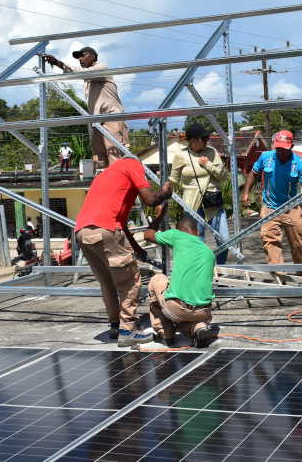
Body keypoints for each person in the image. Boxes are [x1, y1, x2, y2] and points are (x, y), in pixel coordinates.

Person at [74, 153, 173, 347]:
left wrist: (136, 248)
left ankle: (115, 325)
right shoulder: (132, 165)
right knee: (129, 279)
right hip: (105, 229)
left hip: (82, 232)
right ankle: (127, 330)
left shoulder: (107, 174)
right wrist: (164, 194)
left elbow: (120, 222)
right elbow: (150, 199)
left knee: (107, 281)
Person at [241, 130, 302, 276]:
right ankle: (279, 274)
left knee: (298, 241)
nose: (280, 152)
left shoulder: (299, 164)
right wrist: (246, 192)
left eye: (284, 149)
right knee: (270, 241)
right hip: (269, 208)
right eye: (278, 148)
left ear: (291, 146)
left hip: (291, 208)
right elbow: (253, 173)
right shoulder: (266, 157)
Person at [42, 47, 128, 173]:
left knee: (116, 160)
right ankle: (102, 185)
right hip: (98, 122)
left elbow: (81, 72)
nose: (80, 59)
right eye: (79, 57)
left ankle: (120, 184)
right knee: (99, 163)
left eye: (83, 55)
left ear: (93, 57)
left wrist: (58, 63)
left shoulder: (102, 68)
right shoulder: (88, 81)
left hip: (111, 118)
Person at [144, 204, 215, 348]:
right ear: (197, 234)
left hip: (179, 308)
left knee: (157, 280)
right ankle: (198, 327)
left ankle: (166, 332)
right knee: (189, 306)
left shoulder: (177, 235)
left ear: (180, 231)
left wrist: (160, 216)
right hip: (205, 311)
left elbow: (148, 235)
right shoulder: (209, 252)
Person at [169, 123, 229, 265]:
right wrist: (162, 182)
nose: (207, 140)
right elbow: (174, 181)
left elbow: (223, 176)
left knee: (224, 240)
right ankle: (203, 271)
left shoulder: (211, 152)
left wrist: (208, 165)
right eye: (203, 138)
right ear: (193, 140)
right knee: (198, 241)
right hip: (192, 204)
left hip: (213, 200)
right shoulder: (181, 155)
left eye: (207, 137)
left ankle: (220, 270)